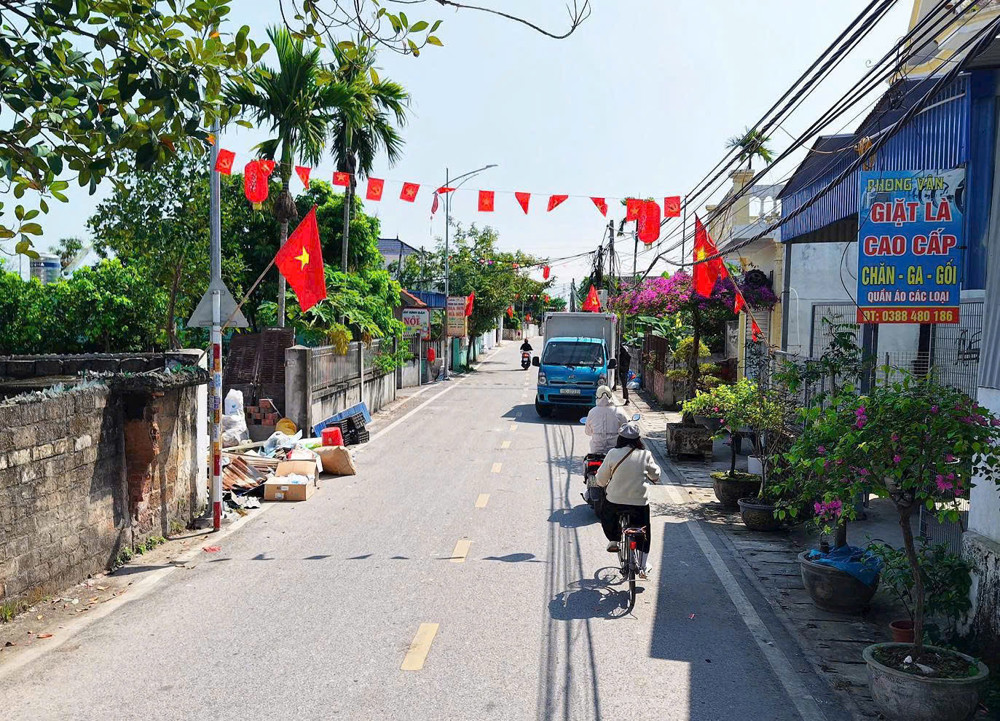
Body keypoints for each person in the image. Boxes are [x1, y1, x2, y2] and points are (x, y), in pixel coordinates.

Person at [595, 421, 660, 578]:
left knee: (607, 514)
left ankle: (614, 539)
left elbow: (601, 479)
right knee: (644, 531)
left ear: (620, 438)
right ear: (638, 439)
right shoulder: (646, 455)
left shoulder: (612, 454)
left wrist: (601, 483)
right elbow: (656, 475)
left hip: (615, 501)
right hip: (639, 503)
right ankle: (643, 566)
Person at [584, 386, 627, 455]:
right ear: (610, 396)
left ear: (597, 397)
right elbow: (625, 430)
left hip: (596, 449)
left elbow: (588, 432)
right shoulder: (618, 412)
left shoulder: (592, 412)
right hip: (614, 450)